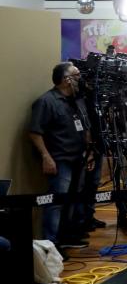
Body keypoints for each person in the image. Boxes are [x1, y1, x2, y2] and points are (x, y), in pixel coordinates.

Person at [29, 63, 95, 250]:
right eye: (77, 75)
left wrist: (88, 154)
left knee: (73, 199)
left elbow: (85, 127)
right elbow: (35, 132)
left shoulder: (77, 100)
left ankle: (67, 236)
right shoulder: (46, 101)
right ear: (66, 80)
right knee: (56, 202)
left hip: (79, 158)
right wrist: (45, 156)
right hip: (60, 160)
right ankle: (52, 244)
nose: (80, 78)